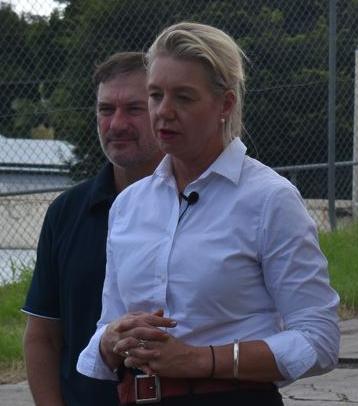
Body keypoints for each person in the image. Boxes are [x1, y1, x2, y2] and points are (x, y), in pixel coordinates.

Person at [76, 22, 340, 406]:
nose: (164, 112)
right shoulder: (129, 205)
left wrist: (198, 359)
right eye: (155, 95)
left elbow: (319, 339)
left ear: (225, 104)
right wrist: (112, 340)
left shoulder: (269, 199)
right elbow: (106, 327)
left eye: (183, 97)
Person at [22, 52, 164, 405]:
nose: (116, 124)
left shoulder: (204, 205)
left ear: (164, 110)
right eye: (105, 110)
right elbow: (43, 336)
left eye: (133, 109)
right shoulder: (67, 213)